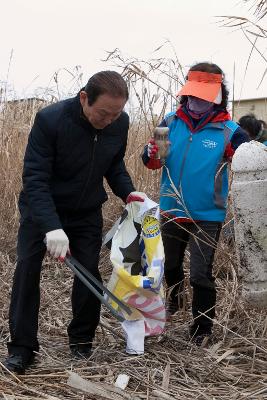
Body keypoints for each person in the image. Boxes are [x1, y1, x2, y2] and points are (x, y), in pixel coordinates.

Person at [4, 70, 145, 374]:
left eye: (116, 114)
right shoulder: (50, 120)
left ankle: (81, 342)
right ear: (84, 98)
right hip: (41, 209)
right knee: (27, 270)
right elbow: (35, 179)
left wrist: (128, 192)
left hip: (85, 212)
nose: (109, 121)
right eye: (103, 113)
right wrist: (51, 227)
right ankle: (21, 348)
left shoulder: (118, 122)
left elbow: (115, 164)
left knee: (88, 274)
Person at [142, 62, 249, 345]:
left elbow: (251, 161)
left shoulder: (230, 131)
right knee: (171, 263)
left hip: (207, 214)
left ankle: (202, 328)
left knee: (201, 273)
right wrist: (150, 152)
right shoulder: (170, 123)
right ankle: (175, 301)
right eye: (191, 95)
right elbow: (152, 163)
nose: (195, 102)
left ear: (217, 95)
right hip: (172, 209)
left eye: (203, 96)